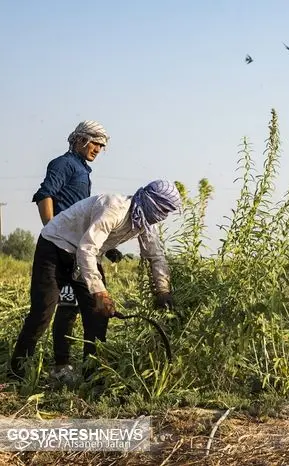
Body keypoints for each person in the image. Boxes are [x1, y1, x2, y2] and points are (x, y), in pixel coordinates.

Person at [9, 180, 181, 381]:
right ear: (150, 200)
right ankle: (16, 372)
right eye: (163, 209)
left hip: (85, 255)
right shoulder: (115, 208)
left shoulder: (143, 222)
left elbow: (156, 256)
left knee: (98, 317)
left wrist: (162, 291)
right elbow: (87, 248)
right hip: (55, 246)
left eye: (168, 211)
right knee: (42, 312)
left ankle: (93, 376)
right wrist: (100, 292)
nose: (163, 215)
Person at [31, 120, 122, 383]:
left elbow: (88, 220)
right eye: (95, 143)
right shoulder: (63, 164)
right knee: (67, 307)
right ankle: (61, 366)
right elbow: (45, 194)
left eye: (102, 146)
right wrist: (51, 230)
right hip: (62, 248)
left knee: (88, 307)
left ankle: (92, 368)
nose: (98, 149)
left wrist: (110, 247)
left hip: (79, 248)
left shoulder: (83, 169)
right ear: (81, 139)